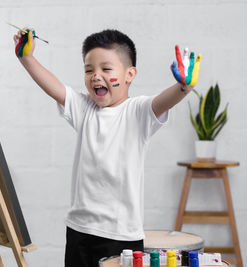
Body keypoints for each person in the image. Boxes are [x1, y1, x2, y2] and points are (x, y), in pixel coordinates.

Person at [13, 28, 201, 267]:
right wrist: (26, 58)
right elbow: (56, 89)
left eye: (106, 69)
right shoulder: (85, 108)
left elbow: (163, 101)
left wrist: (183, 88)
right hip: (79, 230)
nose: (95, 76)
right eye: (89, 70)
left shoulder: (138, 111)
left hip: (121, 236)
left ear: (129, 74)